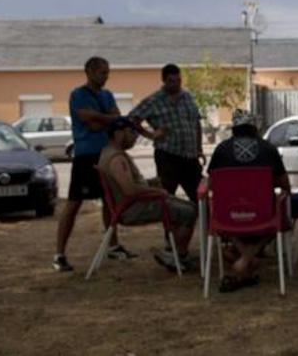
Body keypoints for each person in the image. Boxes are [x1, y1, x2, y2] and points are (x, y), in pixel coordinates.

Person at [53, 56, 134, 272]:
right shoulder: (78, 95)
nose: (105, 76)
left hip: (107, 156)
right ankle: (60, 254)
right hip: (86, 157)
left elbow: (113, 119)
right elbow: (90, 121)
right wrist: (107, 119)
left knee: (110, 202)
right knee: (74, 204)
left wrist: (103, 119)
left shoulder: (107, 95)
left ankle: (113, 246)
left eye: (107, 72)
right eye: (101, 72)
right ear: (88, 72)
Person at [207, 109, 291, 292]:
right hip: (262, 216)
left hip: (228, 216)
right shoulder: (269, 149)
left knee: (227, 223)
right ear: (255, 128)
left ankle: (243, 258)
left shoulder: (221, 149)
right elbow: (285, 186)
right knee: (277, 215)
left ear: (234, 129)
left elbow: (211, 185)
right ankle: (247, 259)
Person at [99, 117, 197, 271]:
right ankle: (178, 255)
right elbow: (129, 190)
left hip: (133, 204)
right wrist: (157, 191)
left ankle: (173, 252)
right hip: (132, 208)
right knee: (189, 211)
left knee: (185, 206)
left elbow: (128, 185)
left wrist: (151, 183)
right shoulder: (117, 158)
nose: (135, 137)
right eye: (131, 132)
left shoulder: (108, 152)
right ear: (118, 134)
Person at [129, 64, 204, 202]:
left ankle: (198, 222)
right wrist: (151, 135)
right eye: (171, 81)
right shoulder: (154, 100)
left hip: (190, 157)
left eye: (178, 80)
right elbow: (132, 119)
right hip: (168, 156)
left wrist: (199, 148)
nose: (176, 84)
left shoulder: (187, 97)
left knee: (200, 196)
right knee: (167, 198)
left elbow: (196, 123)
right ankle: (171, 223)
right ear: (163, 80)